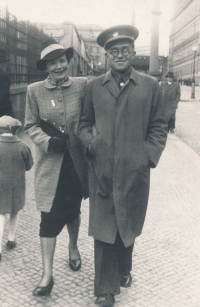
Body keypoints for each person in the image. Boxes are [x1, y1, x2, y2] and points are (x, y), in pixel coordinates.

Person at [78, 25, 168, 306]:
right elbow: (81, 124)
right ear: (106, 55)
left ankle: (124, 270)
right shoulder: (93, 86)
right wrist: (92, 145)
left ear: (133, 52)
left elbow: (159, 125)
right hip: (102, 171)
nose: (119, 55)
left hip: (134, 170)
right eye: (114, 51)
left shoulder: (150, 86)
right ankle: (106, 290)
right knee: (105, 227)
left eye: (125, 50)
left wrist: (148, 156)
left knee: (127, 223)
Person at [25, 39, 88, 296]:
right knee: (48, 217)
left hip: (76, 165)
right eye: (54, 63)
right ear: (47, 67)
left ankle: (73, 247)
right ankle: (47, 275)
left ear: (67, 62)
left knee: (73, 210)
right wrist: (48, 142)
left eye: (62, 61)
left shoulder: (83, 86)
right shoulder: (34, 90)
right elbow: (30, 125)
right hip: (50, 166)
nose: (60, 66)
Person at [0, 116, 33, 261]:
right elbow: (29, 165)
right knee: (15, 210)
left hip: (1, 185)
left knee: (0, 214)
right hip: (18, 184)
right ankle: (11, 239)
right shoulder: (23, 146)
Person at [0, 50, 14, 118]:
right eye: (4, 62)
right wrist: (11, 116)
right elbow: (4, 99)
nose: (5, 64)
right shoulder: (3, 77)